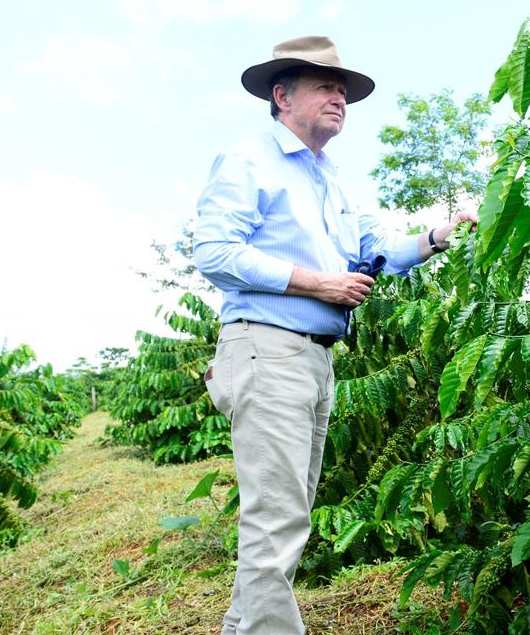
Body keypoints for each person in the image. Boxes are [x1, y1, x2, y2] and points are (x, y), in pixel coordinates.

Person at [193, 35, 475, 635]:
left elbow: (379, 250)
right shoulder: (249, 160)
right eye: (325, 86)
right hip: (266, 348)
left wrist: (439, 237)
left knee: (285, 517)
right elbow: (214, 251)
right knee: (276, 522)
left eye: (343, 92)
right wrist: (316, 284)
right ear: (281, 95)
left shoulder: (331, 179)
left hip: (313, 362)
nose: (339, 99)